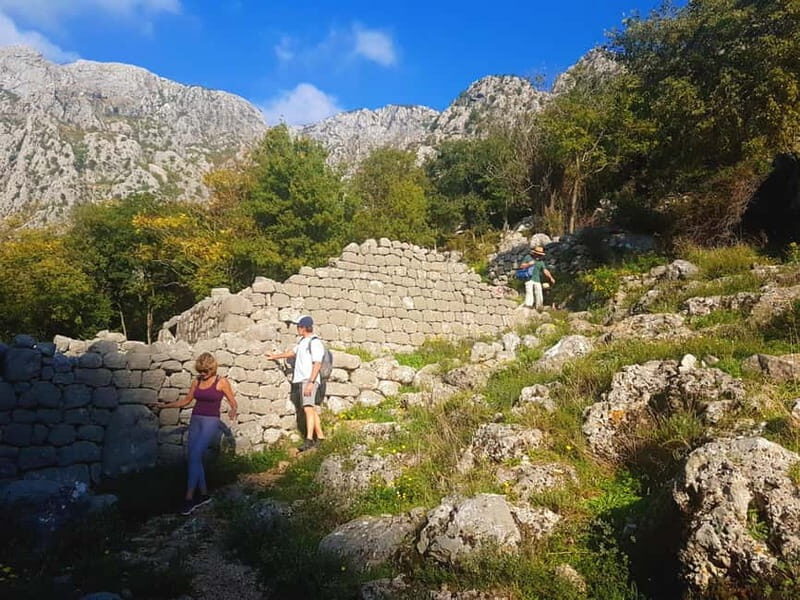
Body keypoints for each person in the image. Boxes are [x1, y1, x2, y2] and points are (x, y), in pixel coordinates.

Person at [157, 352, 238, 515]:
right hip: (196, 420)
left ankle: (189, 499)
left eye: (205, 371)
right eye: (200, 371)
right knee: (193, 457)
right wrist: (164, 406)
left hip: (210, 421)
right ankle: (203, 494)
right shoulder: (197, 381)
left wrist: (233, 410)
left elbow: (232, 401)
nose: (202, 374)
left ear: (212, 369)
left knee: (194, 456)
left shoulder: (221, 382)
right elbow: (186, 401)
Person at [265, 315, 326, 452]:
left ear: (304, 327)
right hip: (302, 380)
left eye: (298, 326)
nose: (297, 329)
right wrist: (274, 356)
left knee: (308, 409)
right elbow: (291, 353)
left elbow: (318, 363)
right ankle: (321, 437)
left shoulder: (315, 342)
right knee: (310, 409)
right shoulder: (302, 342)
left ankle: (309, 440)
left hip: (308, 380)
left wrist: (310, 382)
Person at [519, 245, 556, 310]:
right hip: (528, 278)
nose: (539, 256)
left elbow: (545, 271)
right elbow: (521, 266)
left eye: (540, 255)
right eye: (538, 254)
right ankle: (528, 305)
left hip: (537, 280)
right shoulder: (528, 258)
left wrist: (551, 277)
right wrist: (529, 264)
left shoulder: (541, 262)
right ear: (535, 253)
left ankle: (539, 307)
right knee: (529, 292)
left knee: (539, 292)